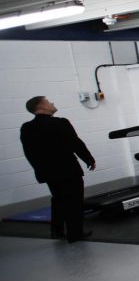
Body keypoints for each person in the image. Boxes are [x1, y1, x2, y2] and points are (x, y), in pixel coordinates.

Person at [20, 96, 96, 243]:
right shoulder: (60, 123)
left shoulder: (27, 127)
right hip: (68, 170)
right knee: (74, 201)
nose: (52, 103)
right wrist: (88, 159)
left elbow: (29, 152)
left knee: (58, 200)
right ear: (41, 107)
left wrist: (39, 170)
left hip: (48, 173)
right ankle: (75, 234)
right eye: (48, 102)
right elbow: (75, 143)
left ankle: (57, 231)